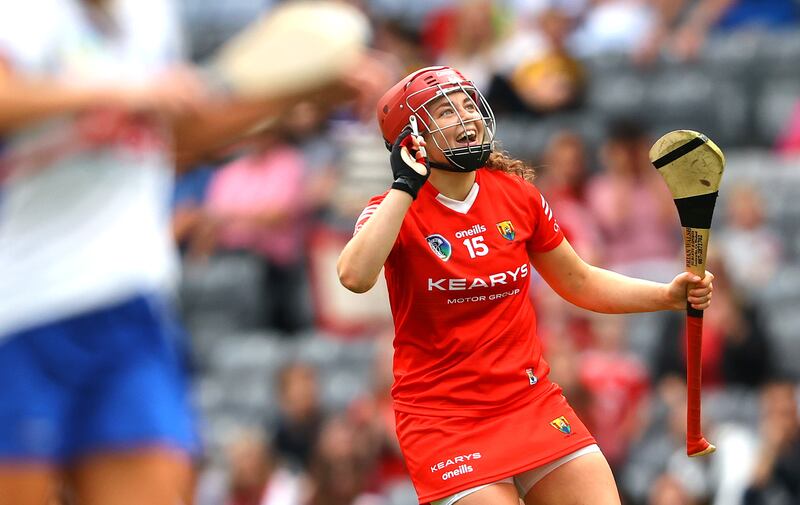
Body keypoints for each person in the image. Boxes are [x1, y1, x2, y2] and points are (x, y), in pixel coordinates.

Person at [0, 1, 380, 504]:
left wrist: (302, 93)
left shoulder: (148, 16)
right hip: (26, 316)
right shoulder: (24, 14)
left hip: (132, 310)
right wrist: (124, 92)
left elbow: (175, 135)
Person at [337, 65, 714, 505]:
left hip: (528, 400)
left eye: (466, 104)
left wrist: (666, 296)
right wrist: (406, 185)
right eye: (444, 111)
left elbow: (580, 282)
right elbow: (354, 276)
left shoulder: (518, 195)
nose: (465, 117)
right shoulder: (391, 209)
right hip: (445, 420)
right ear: (410, 140)